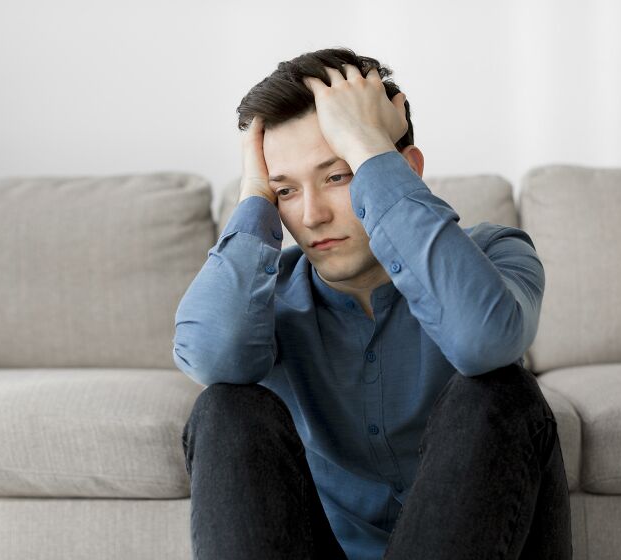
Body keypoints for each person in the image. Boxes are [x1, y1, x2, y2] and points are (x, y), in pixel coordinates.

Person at [174, 47, 572, 560]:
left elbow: (482, 340)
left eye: (338, 175)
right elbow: (211, 357)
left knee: (499, 391)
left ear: (403, 169)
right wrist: (254, 194)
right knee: (225, 407)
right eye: (286, 191)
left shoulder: (496, 253)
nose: (312, 215)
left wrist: (366, 144)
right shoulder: (260, 298)